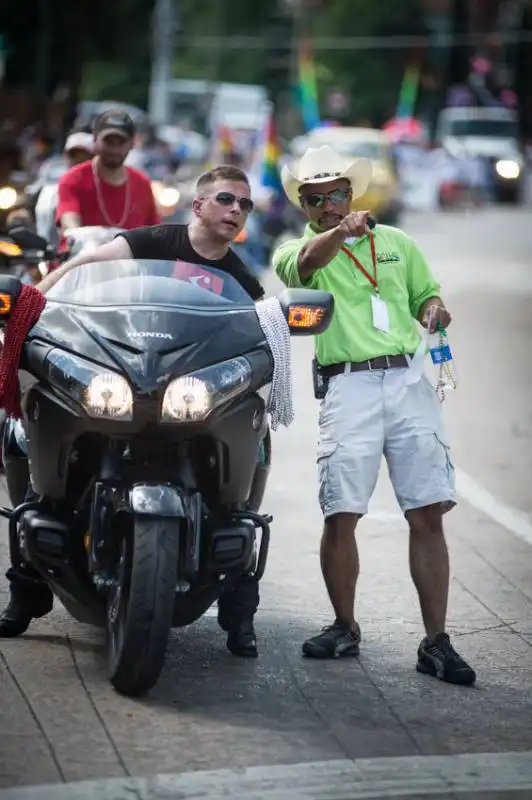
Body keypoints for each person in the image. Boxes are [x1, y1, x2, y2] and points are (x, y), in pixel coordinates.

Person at [0, 165, 266, 660]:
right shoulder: (156, 240)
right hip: (130, 368)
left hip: (186, 390)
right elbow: (85, 268)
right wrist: (37, 302)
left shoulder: (240, 276)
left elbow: (262, 327)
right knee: (22, 440)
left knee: (256, 448)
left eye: (245, 205)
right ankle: (26, 589)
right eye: (227, 199)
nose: (236, 211)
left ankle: (239, 610)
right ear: (199, 206)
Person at [273, 144, 476, 686]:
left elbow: (425, 296)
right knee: (341, 511)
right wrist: (341, 233)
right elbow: (307, 266)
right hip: (349, 384)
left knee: (427, 509)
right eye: (315, 199)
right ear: (305, 206)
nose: (328, 205)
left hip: (408, 379)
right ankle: (344, 626)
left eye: (336, 194)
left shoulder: (397, 243)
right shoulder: (297, 250)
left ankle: (436, 641)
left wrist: (433, 310)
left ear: (351, 192)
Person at [56, 109, 160, 234]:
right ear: (95, 139)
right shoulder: (73, 179)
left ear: (132, 144)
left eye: (121, 142)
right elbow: (69, 221)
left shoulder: (141, 183)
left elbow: (154, 232)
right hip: (83, 252)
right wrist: (76, 234)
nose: (114, 149)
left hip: (129, 254)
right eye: (108, 141)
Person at [34, 130, 94, 245]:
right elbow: (37, 187)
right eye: (74, 155)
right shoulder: (52, 168)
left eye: (84, 157)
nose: (78, 161)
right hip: (57, 249)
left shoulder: (100, 186)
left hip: (88, 249)